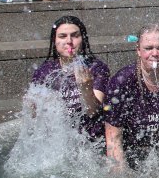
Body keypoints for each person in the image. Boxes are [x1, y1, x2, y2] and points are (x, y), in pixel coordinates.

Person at [105, 23, 159, 170]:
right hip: (134, 154)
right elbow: (114, 139)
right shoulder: (121, 82)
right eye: (148, 48)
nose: (155, 54)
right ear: (138, 50)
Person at [31, 16, 109, 148]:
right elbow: (37, 120)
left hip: (91, 141)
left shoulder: (96, 67)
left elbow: (93, 112)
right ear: (54, 41)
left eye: (74, 35)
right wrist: (32, 106)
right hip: (59, 143)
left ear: (82, 39)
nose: (69, 41)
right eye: (62, 36)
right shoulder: (44, 72)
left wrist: (86, 88)